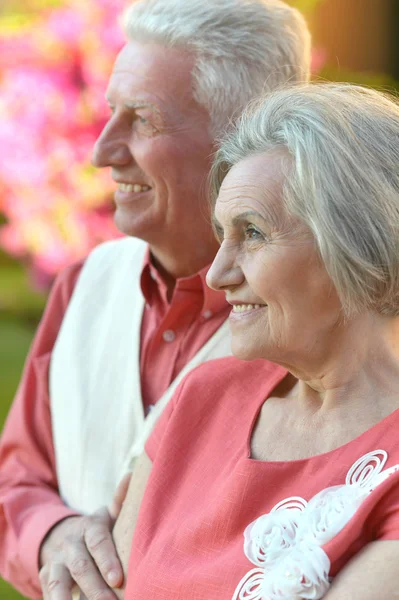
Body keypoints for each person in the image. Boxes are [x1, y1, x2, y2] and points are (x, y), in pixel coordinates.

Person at [0, 1, 311, 599]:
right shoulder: (81, 287)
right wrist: (51, 534)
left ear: (244, 135)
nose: (102, 152)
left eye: (142, 119)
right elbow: (17, 479)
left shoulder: (315, 325)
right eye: (110, 112)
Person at [110, 83, 399, 599]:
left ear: (359, 245)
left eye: (254, 233)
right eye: (222, 234)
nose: (217, 275)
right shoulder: (203, 399)